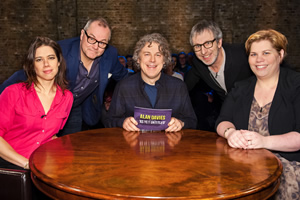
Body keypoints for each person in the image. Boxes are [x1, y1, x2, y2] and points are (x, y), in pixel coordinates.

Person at [0, 17, 128, 136]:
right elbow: (25, 74)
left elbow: (123, 77)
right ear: (82, 34)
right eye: (92, 39)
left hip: (76, 106)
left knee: (70, 146)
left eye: (102, 43)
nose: (95, 46)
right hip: (49, 108)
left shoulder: (110, 54)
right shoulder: (61, 50)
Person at [216, 29, 300, 200]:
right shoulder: (241, 87)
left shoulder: (296, 85)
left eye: (266, 53)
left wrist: (264, 141)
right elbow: (222, 121)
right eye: (253, 54)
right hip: (244, 163)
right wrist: (230, 133)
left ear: (280, 54)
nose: (259, 59)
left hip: (287, 166)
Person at [0, 36, 73, 170]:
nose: (46, 64)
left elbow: (50, 135)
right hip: (11, 166)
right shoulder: (13, 93)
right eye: (39, 60)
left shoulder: (67, 97)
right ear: (32, 66)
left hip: (44, 164)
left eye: (51, 58)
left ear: (58, 62)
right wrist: (27, 164)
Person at [105, 33, 197, 132]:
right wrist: (122, 122)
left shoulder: (179, 87)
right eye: (147, 54)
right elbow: (110, 121)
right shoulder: (124, 87)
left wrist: (181, 123)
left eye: (158, 54)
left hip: (171, 146)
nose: (152, 60)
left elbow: (192, 121)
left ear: (164, 60)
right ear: (138, 60)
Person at [185, 19, 253, 102]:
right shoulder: (198, 64)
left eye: (208, 43)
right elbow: (183, 87)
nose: (203, 52)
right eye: (197, 46)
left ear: (219, 42)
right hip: (227, 109)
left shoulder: (242, 54)